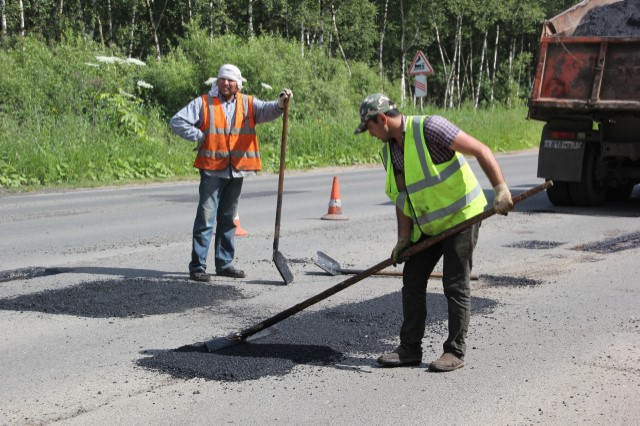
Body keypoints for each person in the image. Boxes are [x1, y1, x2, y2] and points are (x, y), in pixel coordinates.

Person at [354, 94, 513, 372]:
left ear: (382, 119)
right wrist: (404, 239)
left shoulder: (431, 128)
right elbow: (403, 197)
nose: (369, 134)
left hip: (463, 216)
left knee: (454, 283)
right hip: (429, 226)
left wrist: (500, 189)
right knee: (412, 278)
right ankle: (409, 349)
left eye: (369, 127)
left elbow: (480, 149)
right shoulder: (390, 150)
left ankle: (454, 351)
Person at [170, 63, 292, 282]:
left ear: (238, 83)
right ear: (217, 82)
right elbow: (177, 121)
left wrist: (281, 103)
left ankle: (224, 263)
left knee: (228, 220)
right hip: (211, 170)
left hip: (236, 170)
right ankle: (198, 266)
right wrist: (198, 135)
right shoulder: (204, 103)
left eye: (230, 80)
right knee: (205, 220)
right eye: (222, 79)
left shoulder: (249, 103)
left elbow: (269, 110)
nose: (226, 83)